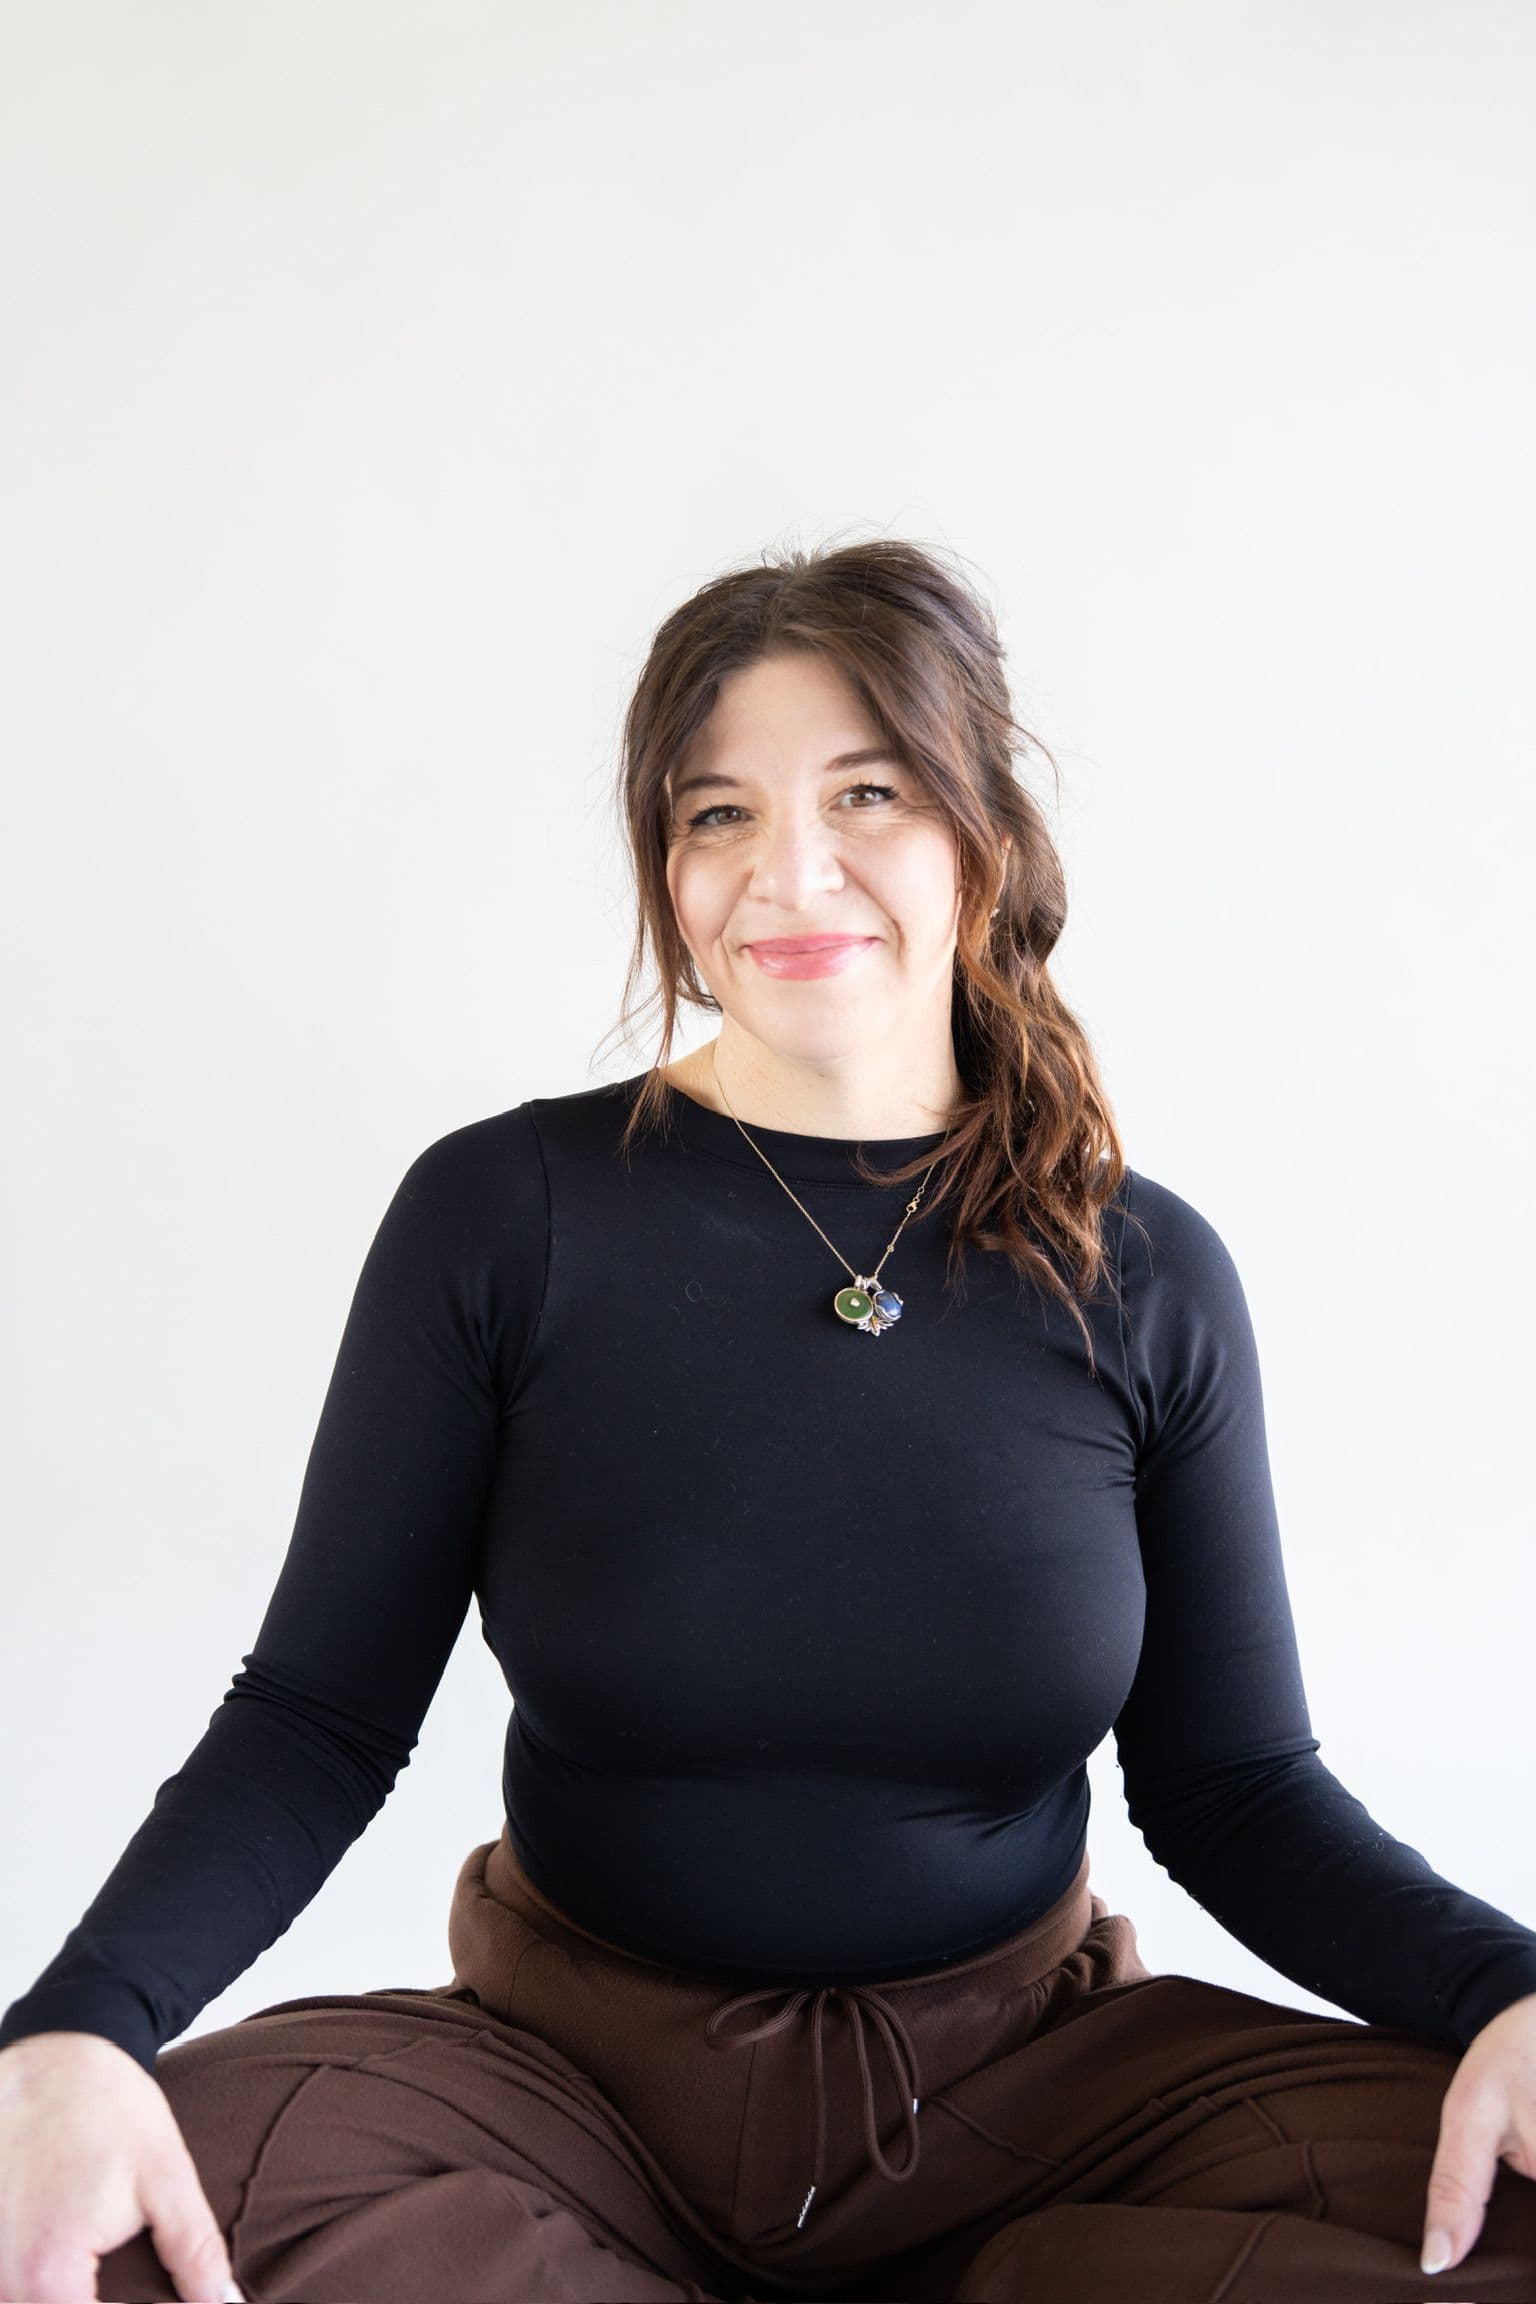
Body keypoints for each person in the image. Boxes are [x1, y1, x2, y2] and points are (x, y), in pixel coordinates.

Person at [2, 538, 1535, 2304]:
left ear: (982, 834)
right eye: (718, 814)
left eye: (866, 793)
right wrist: (76, 2030)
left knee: (1501, 2204)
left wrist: (1507, 1992)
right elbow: (317, 1721)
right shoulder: (506, 1216)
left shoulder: (1142, 1274)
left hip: (1039, 2104)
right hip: (562, 2096)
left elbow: (1236, 1789)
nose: (788, 872)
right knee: (96, 2229)